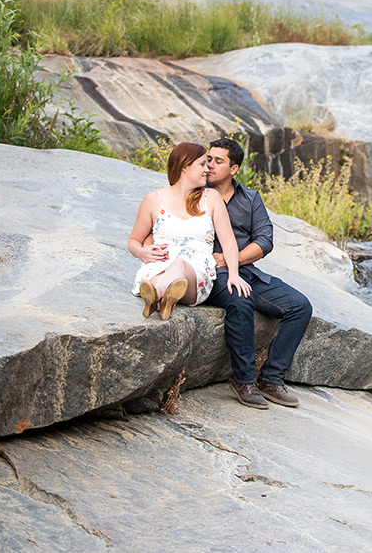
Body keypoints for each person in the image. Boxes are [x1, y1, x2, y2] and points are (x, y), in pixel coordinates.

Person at [204, 138, 313, 410]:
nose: (210, 165)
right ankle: (244, 382)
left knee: (299, 306)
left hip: (244, 270)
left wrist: (232, 260)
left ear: (234, 169)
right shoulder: (197, 193)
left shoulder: (250, 198)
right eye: (208, 159)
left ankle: (271, 379)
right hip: (211, 274)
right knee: (242, 300)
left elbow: (265, 241)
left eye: (219, 161)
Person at [128, 142, 251, 321]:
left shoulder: (211, 198)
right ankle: (165, 297)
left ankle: (156, 296)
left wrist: (233, 275)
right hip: (158, 266)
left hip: (195, 272)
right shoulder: (154, 200)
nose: (207, 169)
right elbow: (133, 241)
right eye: (202, 164)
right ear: (184, 167)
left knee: (179, 265)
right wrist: (142, 252)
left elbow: (229, 242)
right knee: (159, 275)